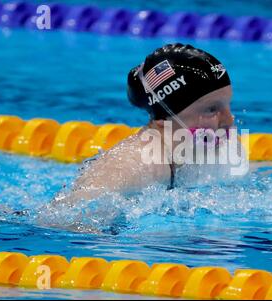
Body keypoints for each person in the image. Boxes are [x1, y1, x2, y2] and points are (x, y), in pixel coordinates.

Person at [58, 43, 236, 204]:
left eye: (228, 105)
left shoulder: (187, 153)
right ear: (163, 116)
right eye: (211, 109)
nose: (229, 120)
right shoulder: (136, 167)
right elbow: (66, 221)